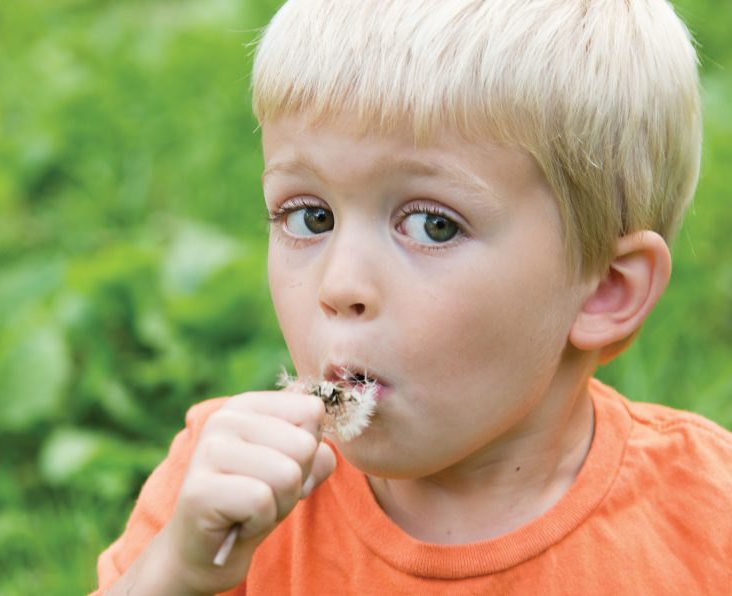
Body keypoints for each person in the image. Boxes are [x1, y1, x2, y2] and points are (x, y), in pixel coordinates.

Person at [95, 1, 732, 594]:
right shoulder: (225, 485)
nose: (340, 285)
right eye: (310, 217)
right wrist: (175, 572)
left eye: (433, 225)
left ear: (604, 289)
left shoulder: (706, 516)